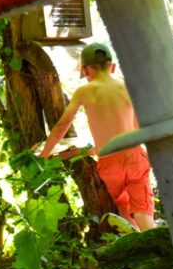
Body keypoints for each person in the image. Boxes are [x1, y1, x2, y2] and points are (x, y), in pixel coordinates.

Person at [38, 42, 155, 231]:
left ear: (85, 70)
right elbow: (136, 130)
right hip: (134, 157)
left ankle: (140, 250)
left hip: (109, 163)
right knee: (142, 211)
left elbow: (62, 125)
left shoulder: (84, 91)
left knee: (124, 209)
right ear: (113, 67)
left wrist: (45, 154)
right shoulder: (127, 88)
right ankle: (160, 251)